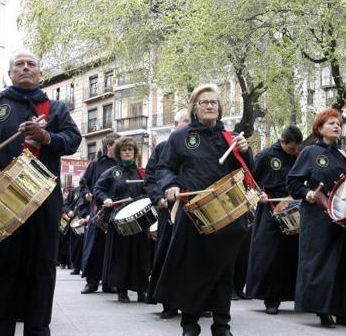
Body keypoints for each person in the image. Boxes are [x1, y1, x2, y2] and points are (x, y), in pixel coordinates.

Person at [0, 49, 81, 336]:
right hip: (1, 199)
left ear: (40, 73)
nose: (25, 68)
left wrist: (46, 137)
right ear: (10, 73)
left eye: (31, 64)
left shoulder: (55, 108)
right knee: (0, 267)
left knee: (41, 267)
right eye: (19, 64)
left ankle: (37, 329)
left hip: (43, 200)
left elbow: (73, 140)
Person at [154, 84, 253, 336]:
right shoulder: (180, 137)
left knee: (224, 274)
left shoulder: (229, 139)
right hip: (194, 214)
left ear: (220, 109)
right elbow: (164, 169)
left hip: (227, 215)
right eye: (203, 102)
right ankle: (190, 324)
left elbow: (245, 172)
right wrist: (171, 185)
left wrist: (246, 152)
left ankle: (222, 325)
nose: (209, 106)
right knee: (192, 272)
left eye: (213, 102)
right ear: (194, 108)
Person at [286, 108, 346, 329]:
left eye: (338, 123)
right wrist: (307, 194)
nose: (336, 126)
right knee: (321, 263)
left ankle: (342, 311)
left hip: (345, 217)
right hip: (318, 216)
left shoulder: (344, 156)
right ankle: (322, 310)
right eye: (331, 123)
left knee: (345, 262)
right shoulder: (309, 152)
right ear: (320, 128)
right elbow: (292, 182)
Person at [246, 125, 303, 315]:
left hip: (293, 208)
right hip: (270, 208)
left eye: (297, 149)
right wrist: (259, 193)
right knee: (270, 255)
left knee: (290, 255)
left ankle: (290, 294)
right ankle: (271, 299)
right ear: (283, 141)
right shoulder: (266, 156)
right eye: (292, 148)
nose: (295, 152)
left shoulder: (298, 157)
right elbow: (250, 181)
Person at [145, 109, 190, 319]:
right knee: (167, 256)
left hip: (193, 209)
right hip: (169, 210)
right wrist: (160, 199)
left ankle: (195, 301)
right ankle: (168, 302)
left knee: (194, 259)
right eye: (187, 120)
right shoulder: (163, 147)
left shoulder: (198, 146)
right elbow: (151, 178)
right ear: (176, 123)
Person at [94, 136, 151, 303]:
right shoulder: (112, 172)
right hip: (119, 220)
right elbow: (98, 189)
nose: (127, 152)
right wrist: (105, 199)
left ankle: (142, 290)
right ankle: (122, 290)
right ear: (119, 153)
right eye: (124, 150)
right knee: (122, 255)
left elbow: (150, 189)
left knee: (141, 255)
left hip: (140, 220)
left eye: (130, 150)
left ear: (135, 153)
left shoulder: (142, 172)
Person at [80, 132, 120, 294]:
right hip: (99, 208)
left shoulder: (122, 164)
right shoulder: (96, 164)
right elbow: (84, 183)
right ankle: (92, 282)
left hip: (117, 208)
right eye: (118, 144)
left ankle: (109, 282)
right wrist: (86, 194)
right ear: (109, 146)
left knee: (112, 246)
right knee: (94, 246)